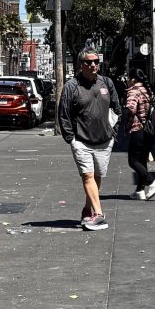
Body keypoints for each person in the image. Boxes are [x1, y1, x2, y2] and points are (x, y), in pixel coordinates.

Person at [58, 48, 121, 231]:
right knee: (87, 175)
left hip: (104, 140)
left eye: (96, 61)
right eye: (89, 62)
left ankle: (87, 209)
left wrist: (113, 132)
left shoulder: (106, 83)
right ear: (81, 65)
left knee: (97, 176)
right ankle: (99, 215)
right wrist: (71, 138)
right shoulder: (72, 86)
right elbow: (64, 114)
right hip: (81, 141)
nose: (93, 65)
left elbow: (117, 108)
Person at [123, 69, 155, 201]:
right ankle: (140, 190)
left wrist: (123, 121)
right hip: (150, 129)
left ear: (133, 79)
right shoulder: (147, 90)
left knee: (133, 160)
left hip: (138, 128)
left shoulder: (134, 91)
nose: (127, 81)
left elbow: (131, 108)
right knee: (141, 160)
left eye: (128, 78)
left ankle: (152, 182)